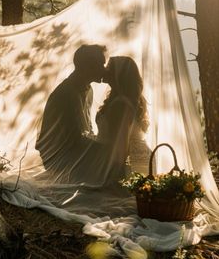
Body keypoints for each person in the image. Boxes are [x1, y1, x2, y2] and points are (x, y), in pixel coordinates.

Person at [35, 44, 107, 180]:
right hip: (60, 159)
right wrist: (107, 149)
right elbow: (75, 138)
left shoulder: (88, 89)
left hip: (76, 152)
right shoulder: (67, 93)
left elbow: (87, 127)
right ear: (87, 67)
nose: (104, 70)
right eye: (101, 65)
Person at [96, 56, 151, 177]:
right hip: (131, 158)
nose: (105, 70)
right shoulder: (119, 100)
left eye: (109, 68)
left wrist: (113, 176)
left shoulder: (121, 104)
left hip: (130, 164)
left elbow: (120, 145)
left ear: (119, 74)